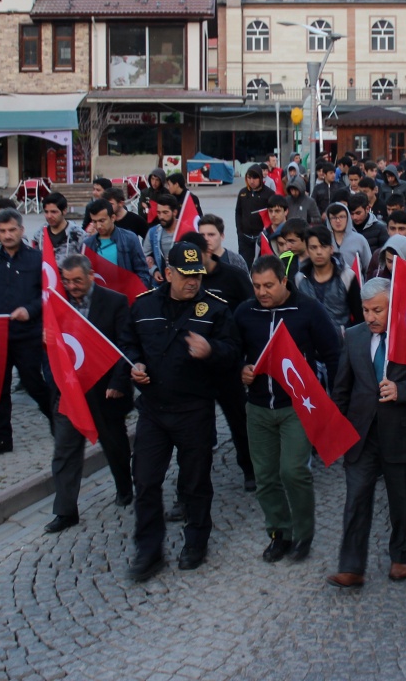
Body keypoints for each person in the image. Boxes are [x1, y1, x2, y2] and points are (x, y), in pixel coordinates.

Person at [127, 243, 242, 580]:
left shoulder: (216, 309)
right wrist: (133, 364)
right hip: (153, 410)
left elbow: (234, 353)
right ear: (168, 273)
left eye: (198, 275)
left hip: (194, 409)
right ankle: (149, 551)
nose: (193, 282)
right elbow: (128, 342)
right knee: (145, 481)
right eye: (186, 276)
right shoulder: (144, 305)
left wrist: (212, 350)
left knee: (195, 482)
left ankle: (196, 540)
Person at [326, 278, 406, 588]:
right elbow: (342, 387)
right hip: (361, 434)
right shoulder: (353, 337)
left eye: (378, 309)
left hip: (403, 432)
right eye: (366, 310)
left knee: (403, 499)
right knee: (356, 498)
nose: (371, 317)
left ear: (394, 308)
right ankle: (351, 566)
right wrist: (335, 429)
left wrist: (402, 389)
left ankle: (401, 556)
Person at [237, 255, 340, 564]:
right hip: (258, 407)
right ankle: (279, 533)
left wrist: (336, 399)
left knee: (293, 470)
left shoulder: (307, 310)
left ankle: (304, 533)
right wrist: (240, 368)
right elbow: (232, 350)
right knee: (266, 476)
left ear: (284, 281)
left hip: (297, 405)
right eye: (256, 286)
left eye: (268, 285)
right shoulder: (245, 312)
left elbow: (333, 352)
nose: (262, 292)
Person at [46, 254, 139, 532]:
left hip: (105, 392)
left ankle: (125, 487)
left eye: (77, 280)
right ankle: (65, 511)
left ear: (90, 277)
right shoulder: (56, 304)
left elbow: (125, 346)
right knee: (64, 450)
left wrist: (119, 383)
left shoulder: (114, 302)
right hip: (70, 393)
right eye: (67, 280)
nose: (72, 286)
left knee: (115, 447)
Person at [175, 231, 256, 494]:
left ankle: (250, 469)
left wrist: (246, 356)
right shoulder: (182, 285)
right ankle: (189, 487)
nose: (191, 274)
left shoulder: (233, 276)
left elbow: (250, 313)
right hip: (194, 370)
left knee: (239, 421)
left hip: (227, 363)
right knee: (193, 431)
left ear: (206, 252)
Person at [0, 209, 52, 457]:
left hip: (27, 334)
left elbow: (48, 294)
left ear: (21, 230)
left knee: (33, 383)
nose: (7, 235)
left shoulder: (37, 259)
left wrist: (29, 311)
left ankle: (55, 418)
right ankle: (2, 437)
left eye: (12, 230)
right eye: (2, 231)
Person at [295, 224, 363, 338]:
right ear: (307, 250)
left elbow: (359, 317)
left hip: (342, 346)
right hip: (311, 345)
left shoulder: (347, 276)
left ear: (331, 249)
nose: (319, 252)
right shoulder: (300, 279)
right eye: (313, 247)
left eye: (323, 246)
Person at [83, 198, 151, 289]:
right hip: (100, 298)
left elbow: (142, 272)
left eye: (102, 221)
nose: (98, 226)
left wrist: (136, 293)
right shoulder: (88, 244)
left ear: (113, 218)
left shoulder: (129, 239)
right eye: (94, 222)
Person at [31, 192, 89, 265]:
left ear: (64, 211)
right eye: (46, 212)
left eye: (54, 212)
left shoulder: (78, 235)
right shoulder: (39, 235)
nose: (49, 216)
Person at [234, 165, 272, 266]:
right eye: (249, 178)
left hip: (261, 237)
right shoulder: (243, 193)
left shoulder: (269, 194)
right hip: (245, 237)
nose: (252, 181)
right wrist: (239, 232)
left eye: (254, 178)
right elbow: (238, 212)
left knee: (262, 266)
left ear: (260, 177)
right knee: (244, 266)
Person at [323, 201, 372, 272]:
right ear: (329, 220)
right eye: (334, 218)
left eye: (342, 217)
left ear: (348, 218)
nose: (338, 221)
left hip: (354, 281)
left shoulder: (359, 240)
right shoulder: (323, 239)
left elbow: (369, 267)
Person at [145, 194, 181, 284]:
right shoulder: (153, 232)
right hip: (162, 283)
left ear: (174, 212)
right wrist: (154, 271)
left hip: (181, 280)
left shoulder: (185, 231)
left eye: (165, 212)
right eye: (159, 213)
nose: (161, 217)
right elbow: (144, 255)